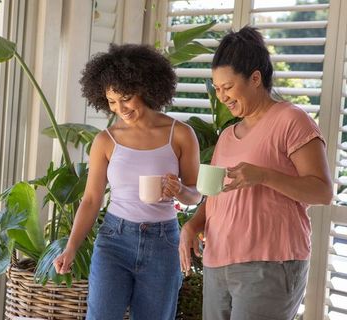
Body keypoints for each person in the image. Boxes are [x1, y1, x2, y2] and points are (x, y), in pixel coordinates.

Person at [179, 26, 333, 320]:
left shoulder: (291, 120)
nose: (222, 96)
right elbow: (216, 198)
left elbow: (322, 191)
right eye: (217, 88)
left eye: (228, 87)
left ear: (255, 78)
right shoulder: (227, 135)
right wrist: (192, 225)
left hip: (269, 264)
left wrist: (263, 176)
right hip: (218, 263)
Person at [53, 44, 201, 320]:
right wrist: (71, 247)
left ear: (144, 87)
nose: (120, 108)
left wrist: (179, 189)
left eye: (126, 98)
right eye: (111, 101)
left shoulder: (180, 134)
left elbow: (195, 195)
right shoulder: (105, 141)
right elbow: (91, 199)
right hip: (114, 241)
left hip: (162, 243)